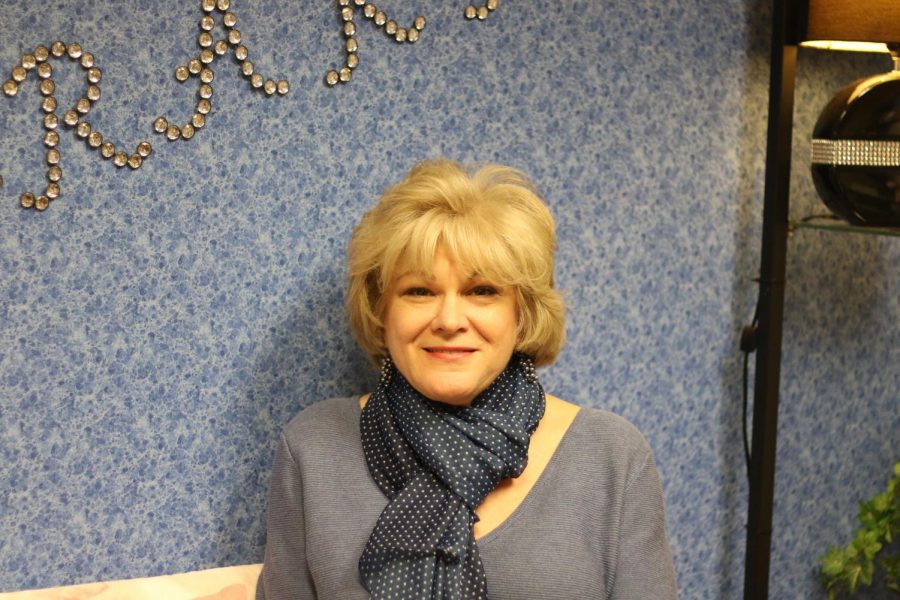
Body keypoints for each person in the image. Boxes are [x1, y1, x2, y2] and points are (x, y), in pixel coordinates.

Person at [256, 159, 677, 599]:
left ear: (523, 313)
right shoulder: (313, 448)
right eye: (419, 290)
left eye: (483, 291)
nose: (450, 320)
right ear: (382, 311)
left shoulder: (611, 457)